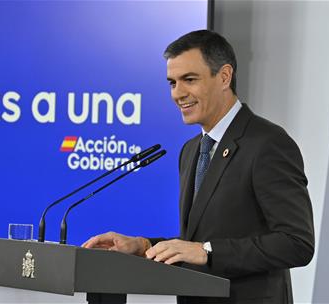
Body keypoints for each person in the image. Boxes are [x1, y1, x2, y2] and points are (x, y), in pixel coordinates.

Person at [82, 30, 315, 304]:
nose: (178, 94)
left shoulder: (267, 143)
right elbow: (199, 241)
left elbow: (297, 243)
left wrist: (208, 250)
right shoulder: (192, 150)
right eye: (172, 83)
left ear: (225, 77)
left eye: (189, 80)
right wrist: (143, 246)